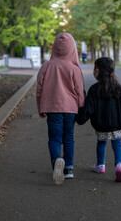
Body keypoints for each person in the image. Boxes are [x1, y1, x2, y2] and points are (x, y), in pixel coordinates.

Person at [76, 57, 121, 182]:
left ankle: (100, 165)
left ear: (99, 71)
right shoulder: (118, 88)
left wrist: (80, 118)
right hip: (117, 124)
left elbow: (89, 109)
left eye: (95, 69)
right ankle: (119, 165)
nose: (94, 71)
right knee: (117, 144)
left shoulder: (94, 89)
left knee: (101, 142)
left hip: (101, 124)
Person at [36, 33, 85, 185]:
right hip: (70, 109)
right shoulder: (74, 68)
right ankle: (69, 168)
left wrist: (40, 108)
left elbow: (39, 89)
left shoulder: (46, 66)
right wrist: (81, 107)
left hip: (52, 109)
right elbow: (79, 90)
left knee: (54, 139)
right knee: (68, 138)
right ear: (72, 49)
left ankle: (57, 160)